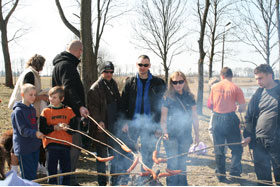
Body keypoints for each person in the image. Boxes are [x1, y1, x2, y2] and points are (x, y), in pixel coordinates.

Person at [120, 55, 166, 183]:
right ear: (136, 65)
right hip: (132, 123)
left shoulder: (158, 83)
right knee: (128, 152)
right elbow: (123, 104)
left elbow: (164, 107)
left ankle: (144, 178)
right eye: (140, 65)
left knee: (148, 152)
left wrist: (159, 126)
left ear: (150, 66)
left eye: (146, 65)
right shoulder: (130, 82)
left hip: (151, 124)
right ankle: (125, 178)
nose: (143, 67)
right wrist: (124, 122)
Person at [52, 39, 89, 185]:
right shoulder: (67, 65)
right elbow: (69, 89)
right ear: (79, 51)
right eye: (81, 51)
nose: (81, 54)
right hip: (69, 116)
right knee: (73, 148)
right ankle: (67, 181)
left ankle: (68, 179)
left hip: (62, 114)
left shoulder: (60, 64)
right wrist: (80, 106)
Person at [8, 54, 48, 174]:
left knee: (30, 140)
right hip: (23, 110)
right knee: (19, 141)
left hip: (29, 110)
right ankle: (14, 171)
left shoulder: (31, 72)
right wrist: (41, 96)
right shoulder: (30, 74)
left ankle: (35, 165)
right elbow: (28, 92)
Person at [242, 64, 280, 185]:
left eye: (260, 78)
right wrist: (247, 135)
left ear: (270, 76)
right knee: (263, 178)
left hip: (276, 142)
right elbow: (248, 117)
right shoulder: (258, 94)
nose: (258, 81)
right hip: (258, 142)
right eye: (256, 79)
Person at [160, 71, 199, 186]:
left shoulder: (190, 97)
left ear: (185, 81)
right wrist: (165, 132)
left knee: (182, 164)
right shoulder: (167, 98)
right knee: (172, 164)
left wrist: (197, 135)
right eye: (175, 82)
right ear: (171, 83)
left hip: (186, 136)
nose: (178, 84)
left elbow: (195, 118)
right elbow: (163, 119)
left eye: (180, 81)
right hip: (170, 137)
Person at [208, 67, 246, 182]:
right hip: (230, 118)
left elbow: (210, 105)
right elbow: (242, 108)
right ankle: (234, 172)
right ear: (231, 76)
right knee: (236, 148)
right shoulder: (236, 88)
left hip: (217, 118)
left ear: (221, 76)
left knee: (219, 149)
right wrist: (238, 107)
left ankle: (221, 175)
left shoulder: (214, 87)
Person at [87, 61, 121, 186]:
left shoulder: (113, 84)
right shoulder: (95, 88)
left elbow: (118, 102)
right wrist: (99, 122)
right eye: (106, 72)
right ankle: (102, 183)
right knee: (102, 158)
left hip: (114, 126)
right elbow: (92, 108)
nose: (109, 74)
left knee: (115, 156)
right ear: (101, 72)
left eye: (111, 72)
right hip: (101, 127)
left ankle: (114, 182)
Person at [39, 86, 78, 185]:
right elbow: (42, 129)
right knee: (52, 170)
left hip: (65, 144)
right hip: (51, 144)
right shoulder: (45, 112)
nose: (51, 99)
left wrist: (68, 127)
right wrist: (53, 128)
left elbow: (74, 128)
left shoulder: (69, 111)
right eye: (50, 97)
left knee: (66, 170)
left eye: (54, 97)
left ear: (62, 99)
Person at [11, 84, 44, 180]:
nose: (33, 97)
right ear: (22, 94)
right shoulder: (18, 111)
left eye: (35, 95)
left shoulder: (32, 109)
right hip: (24, 148)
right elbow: (22, 130)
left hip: (34, 146)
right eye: (31, 95)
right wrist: (35, 133)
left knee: (33, 173)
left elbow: (34, 126)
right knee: (27, 176)